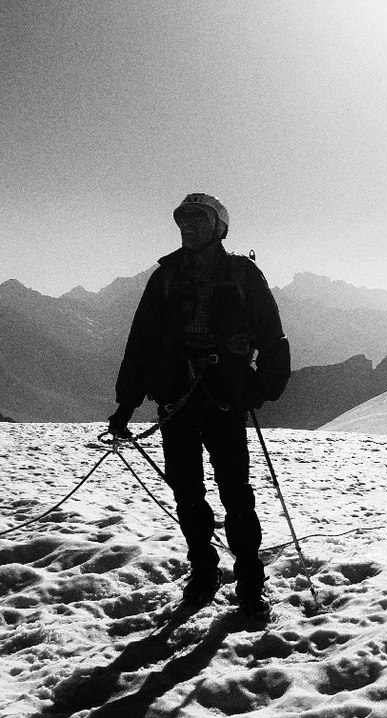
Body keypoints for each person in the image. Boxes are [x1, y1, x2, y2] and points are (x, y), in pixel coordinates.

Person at [108, 192, 290, 618]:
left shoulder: (242, 274)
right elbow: (142, 343)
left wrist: (259, 390)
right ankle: (206, 571)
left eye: (197, 220)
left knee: (235, 495)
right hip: (182, 401)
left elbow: (271, 336)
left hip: (221, 399)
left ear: (217, 226)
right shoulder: (167, 277)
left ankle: (248, 580)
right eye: (184, 221)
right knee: (188, 493)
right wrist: (125, 405)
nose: (188, 227)